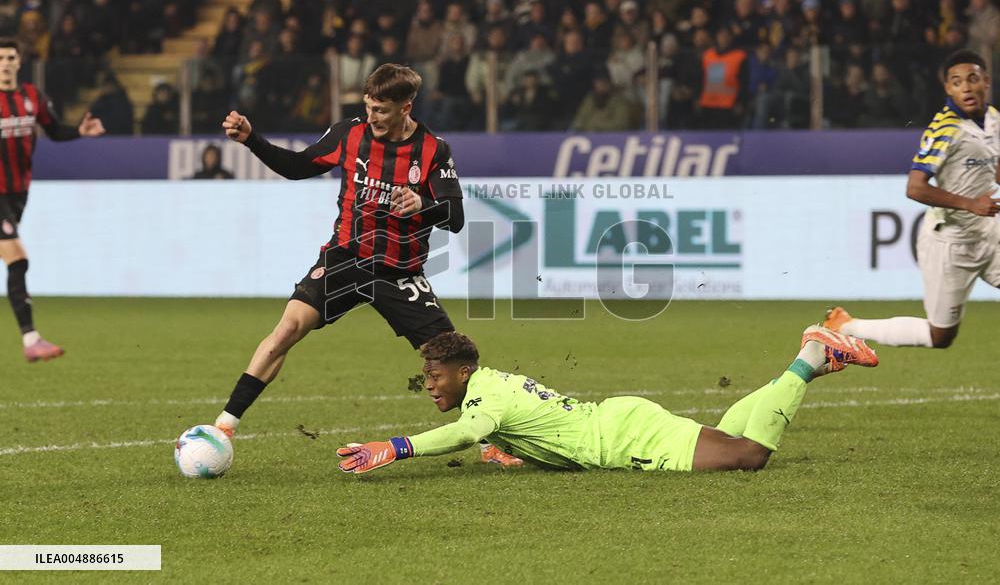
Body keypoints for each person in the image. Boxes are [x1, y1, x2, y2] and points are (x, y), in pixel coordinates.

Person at [215, 63, 522, 467]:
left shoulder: (433, 149)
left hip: (399, 272)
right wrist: (252, 139)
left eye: (381, 110)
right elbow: (297, 167)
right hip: (346, 259)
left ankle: (488, 446)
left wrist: (423, 206)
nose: (372, 116)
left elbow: (456, 217)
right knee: (287, 328)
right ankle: (223, 426)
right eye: (368, 106)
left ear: (406, 106)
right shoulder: (350, 133)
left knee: (455, 359)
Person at [336, 326, 879, 474]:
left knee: (750, 455)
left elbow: (466, 431)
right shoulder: (491, 387)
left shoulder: (484, 401)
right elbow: (518, 423)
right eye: (425, 377)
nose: (430, 385)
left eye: (435, 376)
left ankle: (810, 356)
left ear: (464, 371)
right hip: (618, 421)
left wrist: (397, 446)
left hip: (623, 437)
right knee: (730, 435)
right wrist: (516, 449)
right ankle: (816, 360)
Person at [826, 49, 1000, 349]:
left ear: (986, 80)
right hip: (950, 243)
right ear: (948, 89)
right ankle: (846, 325)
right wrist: (970, 204)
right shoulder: (945, 129)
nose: (967, 87)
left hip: (989, 232)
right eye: (957, 82)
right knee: (940, 336)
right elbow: (915, 187)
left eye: (973, 79)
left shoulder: (994, 118)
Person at [0, 38, 105, 361]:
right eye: (0, 58)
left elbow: (54, 129)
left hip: (19, 194)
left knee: (14, 258)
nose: (5, 63)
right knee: (17, 258)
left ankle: (31, 340)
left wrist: (80, 131)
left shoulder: (33, 97)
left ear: (20, 62)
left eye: (10, 58)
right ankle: (31, 339)